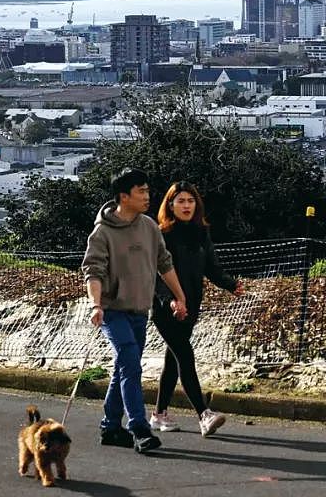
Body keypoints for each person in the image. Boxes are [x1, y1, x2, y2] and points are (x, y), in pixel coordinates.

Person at [82, 167, 188, 454]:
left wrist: (179, 297)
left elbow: (164, 264)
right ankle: (139, 428)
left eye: (147, 190)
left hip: (140, 311)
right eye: (141, 191)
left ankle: (110, 427)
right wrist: (95, 304)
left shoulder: (149, 227)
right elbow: (93, 271)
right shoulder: (102, 232)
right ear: (123, 196)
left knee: (123, 368)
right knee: (130, 362)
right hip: (112, 311)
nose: (147, 196)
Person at [149, 181, 244, 437]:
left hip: (191, 306)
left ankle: (159, 415)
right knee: (185, 355)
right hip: (165, 308)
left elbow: (211, 267)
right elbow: (156, 274)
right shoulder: (162, 234)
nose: (186, 205)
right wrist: (170, 299)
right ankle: (204, 414)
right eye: (180, 201)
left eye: (190, 200)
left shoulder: (201, 233)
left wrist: (230, 284)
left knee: (174, 360)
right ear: (170, 205)